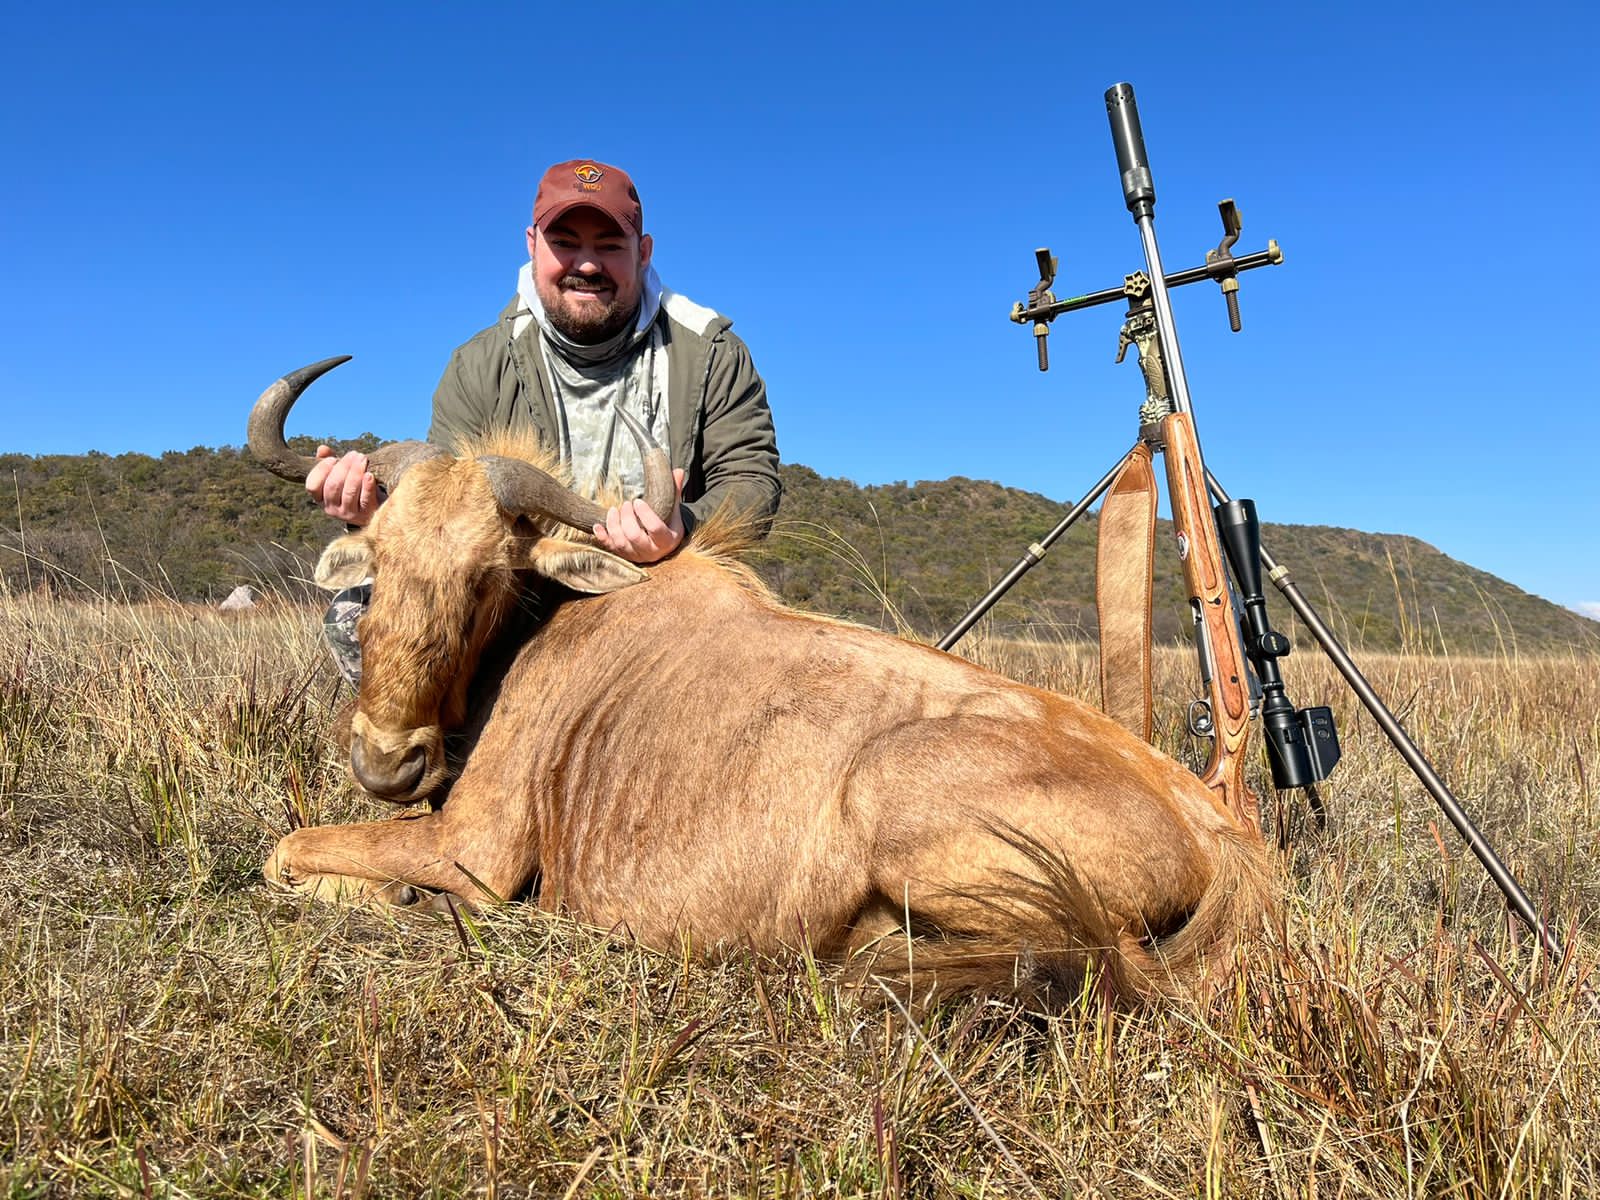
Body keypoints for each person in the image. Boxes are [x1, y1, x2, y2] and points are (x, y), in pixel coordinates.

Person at [305, 158, 782, 679]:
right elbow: (447, 505)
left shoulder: (711, 351)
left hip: (666, 582)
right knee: (356, 618)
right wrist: (369, 508)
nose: (588, 265)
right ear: (532, 244)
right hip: (521, 594)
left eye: (610, 246)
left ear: (643, 253)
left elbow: (752, 480)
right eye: (565, 243)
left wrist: (683, 525)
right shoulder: (479, 364)